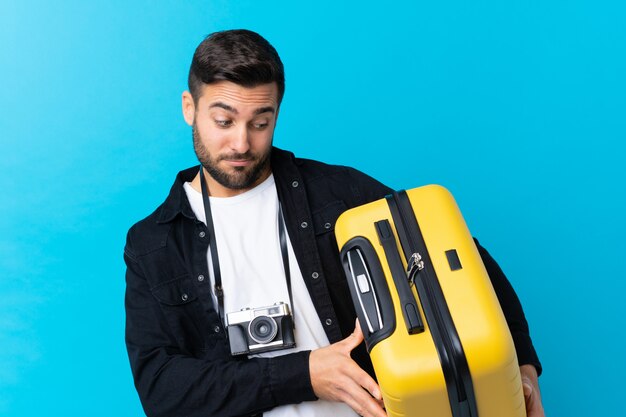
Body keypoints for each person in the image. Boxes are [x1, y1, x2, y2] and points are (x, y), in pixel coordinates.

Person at [124, 29, 545, 417]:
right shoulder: (153, 245)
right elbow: (162, 390)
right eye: (223, 121)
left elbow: (467, 260)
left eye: (260, 123)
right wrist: (304, 373)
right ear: (189, 108)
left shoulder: (337, 193)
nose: (241, 142)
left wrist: (523, 365)